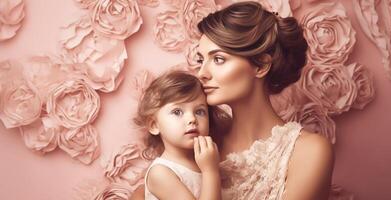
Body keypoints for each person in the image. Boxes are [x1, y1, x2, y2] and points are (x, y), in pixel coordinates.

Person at [131, 1, 334, 200]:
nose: (202, 73)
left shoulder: (309, 151)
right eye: (201, 60)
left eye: (218, 59)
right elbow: (147, 190)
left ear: (261, 66)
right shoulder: (198, 137)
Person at [134, 70, 229, 200]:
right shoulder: (160, 173)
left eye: (200, 111)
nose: (192, 119)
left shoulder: (208, 158)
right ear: (154, 125)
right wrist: (210, 171)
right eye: (177, 112)